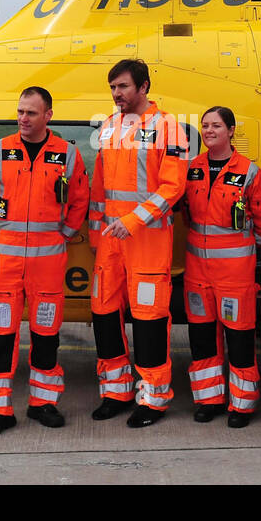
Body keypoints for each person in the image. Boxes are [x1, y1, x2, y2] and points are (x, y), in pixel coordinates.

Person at [0, 86, 89, 439]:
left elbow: (80, 199)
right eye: (21, 112)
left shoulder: (68, 155)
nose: (24, 119)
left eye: (32, 113)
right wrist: (0, 233)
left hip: (48, 262)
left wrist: (63, 234)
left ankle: (43, 404)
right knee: (0, 336)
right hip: (4, 260)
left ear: (48, 116)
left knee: (45, 335)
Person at [87, 59, 189, 428]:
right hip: (111, 242)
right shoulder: (111, 127)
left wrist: (133, 221)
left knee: (148, 319)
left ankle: (153, 398)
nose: (117, 94)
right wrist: (98, 233)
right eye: (113, 87)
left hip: (147, 239)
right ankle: (115, 391)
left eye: (124, 87)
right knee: (103, 312)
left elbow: (173, 188)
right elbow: (100, 188)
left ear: (143, 87)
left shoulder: (168, 128)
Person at [180, 106, 261, 427]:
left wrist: (241, 249)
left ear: (231, 131)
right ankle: (210, 400)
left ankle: (242, 405)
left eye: (216, 126)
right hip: (197, 275)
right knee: (202, 338)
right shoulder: (192, 170)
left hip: (234, 276)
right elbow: (187, 217)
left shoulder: (250, 173)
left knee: (239, 341)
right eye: (205, 126)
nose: (209, 131)